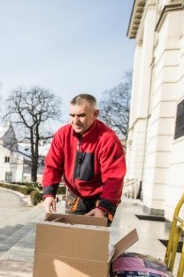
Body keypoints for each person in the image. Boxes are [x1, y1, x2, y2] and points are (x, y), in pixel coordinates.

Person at [42, 93, 126, 223]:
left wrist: (104, 208)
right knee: (72, 237)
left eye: (81, 115)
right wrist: (49, 194)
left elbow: (114, 178)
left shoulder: (108, 139)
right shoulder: (62, 135)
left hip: (101, 198)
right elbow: (53, 166)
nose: (75, 121)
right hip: (75, 196)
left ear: (95, 114)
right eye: (72, 115)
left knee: (94, 240)